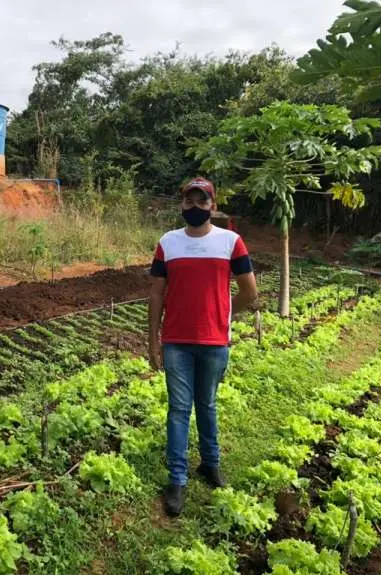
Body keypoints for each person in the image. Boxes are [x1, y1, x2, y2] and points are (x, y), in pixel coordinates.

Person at [148, 177, 258, 516]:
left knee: (207, 404)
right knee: (179, 409)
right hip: (177, 342)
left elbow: (250, 293)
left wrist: (223, 315)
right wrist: (153, 339)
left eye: (202, 201)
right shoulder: (168, 243)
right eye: (189, 201)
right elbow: (156, 294)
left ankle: (210, 465)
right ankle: (177, 479)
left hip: (214, 341)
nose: (195, 207)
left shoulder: (232, 242)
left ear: (213, 205)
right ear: (181, 204)